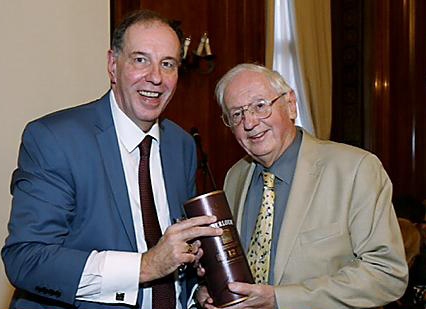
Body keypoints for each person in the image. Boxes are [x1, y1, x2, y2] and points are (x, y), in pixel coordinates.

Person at [2, 9, 222, 309]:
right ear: (112, 65)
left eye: (167, 64)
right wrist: (144, 266)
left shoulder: (181, 145)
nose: (156, 78)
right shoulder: (54, 139)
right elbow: (26, 259)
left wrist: (196, 290)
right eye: (140, 59)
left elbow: (176, 252)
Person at [196, 63, 408, 308]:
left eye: (260, 106)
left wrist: (280, 299)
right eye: (236, 114)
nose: (250, 122)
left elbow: (387, 274)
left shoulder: (355, 170)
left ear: (290, 104)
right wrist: (213, 289)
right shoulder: (236, 176)